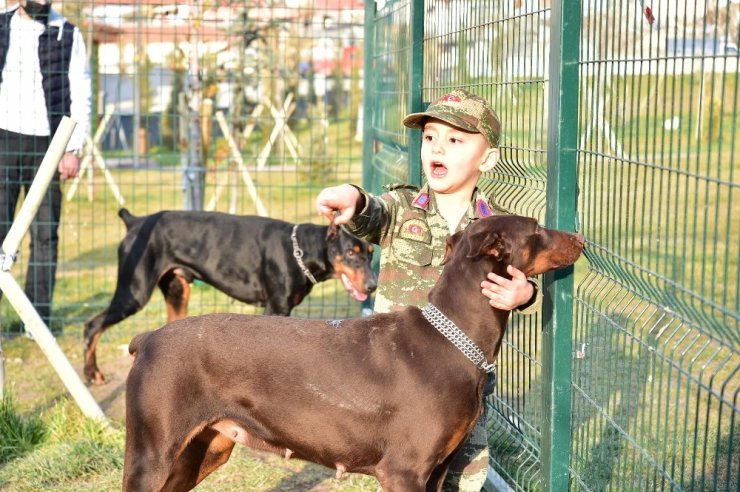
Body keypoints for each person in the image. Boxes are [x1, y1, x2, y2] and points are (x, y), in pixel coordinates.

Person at [315, 88, 540, 491]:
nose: (438, 147)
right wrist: (353, 198)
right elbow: (371, 213)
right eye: (430, 136)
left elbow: (526, 279)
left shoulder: (500, 228)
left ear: (486, 159)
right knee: (402, 472)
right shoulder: (402, 208)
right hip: (394, 380)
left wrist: (525, 295)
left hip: (459, 382)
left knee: (460, 480)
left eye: (455, 140)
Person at [0, 0, 91, 330]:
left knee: (44, 235)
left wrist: (73, 148)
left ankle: (35, 322)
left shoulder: (67, 33)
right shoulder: (2, 24)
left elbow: (81, 93)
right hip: (3, 140)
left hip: (49, 145)